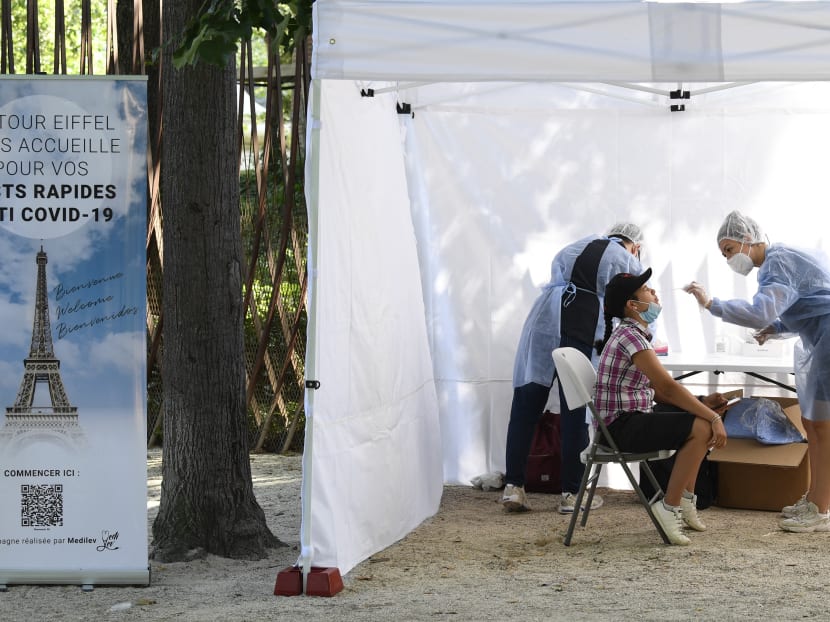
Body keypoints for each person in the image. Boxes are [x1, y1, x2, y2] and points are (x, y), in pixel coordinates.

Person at [685, 210, 830, 533]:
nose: (728, 259)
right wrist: (774, 328)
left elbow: (760, 310)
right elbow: (804, 303)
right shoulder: (781, 262)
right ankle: (815, 498)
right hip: (820, 337)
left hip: (827, 339)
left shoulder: (778, 262)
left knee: (822, 427)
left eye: (729, 249)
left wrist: (712, 304)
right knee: (812, 422)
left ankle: (821, 508)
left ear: (748, 239)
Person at [501, 223, 644, 513]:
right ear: (636, 246)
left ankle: (514, 487)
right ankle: (571, 493)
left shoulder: (577, 244)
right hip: (582, 321)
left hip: (543, 319)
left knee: (527, 404)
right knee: (575, 407)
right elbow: (634, 306)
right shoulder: (627, 260)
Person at [595, 268, 728, 545]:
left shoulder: (633, 334)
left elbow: (656, 391)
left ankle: (686, 500)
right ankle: (669, 507)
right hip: (620, 428)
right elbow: (666, 388)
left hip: (628, 420)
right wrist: (712, 416)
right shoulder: (631, 337)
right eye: (647, 291)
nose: (654, 293)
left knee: (700, 422)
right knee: (703, 427)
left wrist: (702, 404)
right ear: (634, 306)